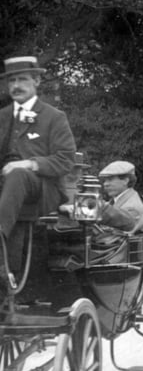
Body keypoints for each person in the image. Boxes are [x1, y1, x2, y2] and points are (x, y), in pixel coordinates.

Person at [0, 56, 76, 242]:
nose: (16, 85)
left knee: (18, 174)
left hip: (43, 188)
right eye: (12, 80)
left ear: (37, 81)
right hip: (4, 184)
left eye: (22, 79)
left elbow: (65, 159)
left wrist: (28, 164)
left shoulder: (54, 117)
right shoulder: (2, 116)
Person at [98, 161, 143, 232]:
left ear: (125, 181)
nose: (105, 184)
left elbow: (116, 236)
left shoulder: (132, 207)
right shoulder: (117, 200)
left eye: (110, 179)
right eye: (105, 180)